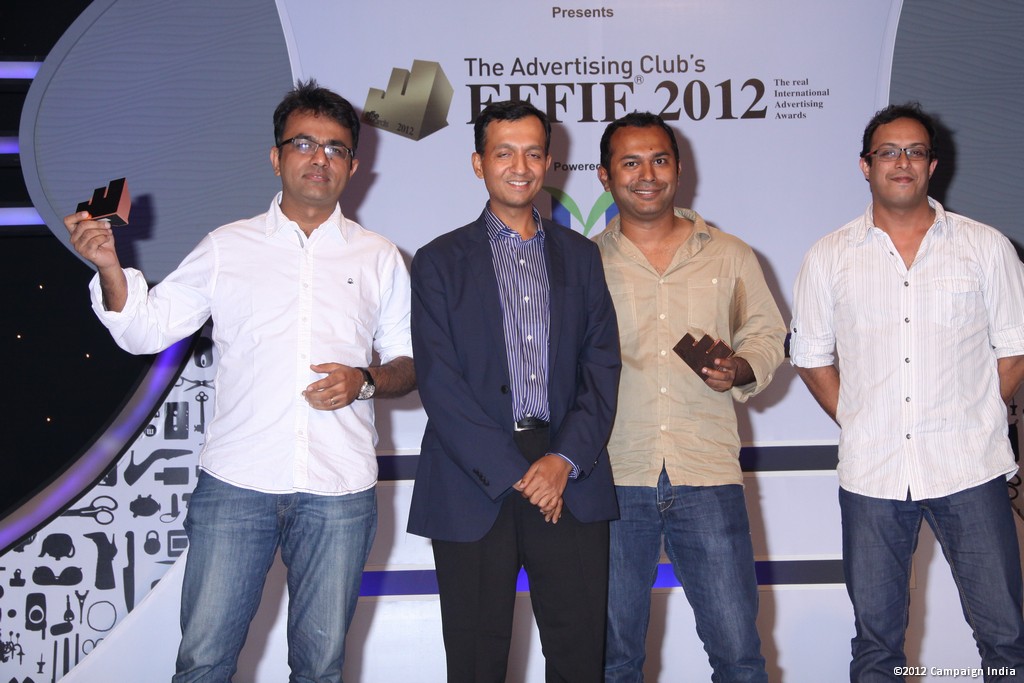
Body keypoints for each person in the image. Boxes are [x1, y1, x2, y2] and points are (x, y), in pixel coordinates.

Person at [64, 80, 415, 682]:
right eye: (303, 143)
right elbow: (146, 329)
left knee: (321, 669)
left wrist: (363, 380)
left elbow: (409, 364)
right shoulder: (227, 247)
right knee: (203, 662)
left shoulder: (379, 256)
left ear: (353, 167)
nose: (319, 158)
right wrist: (109, 267)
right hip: (236, 486)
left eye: (335, 148)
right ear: (276, 157)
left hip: (340, 489)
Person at [790, 102, 1024, 681]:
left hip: (970, 467)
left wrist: (973, 414)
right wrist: (863, 419)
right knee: (876, 647)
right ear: (865, 165)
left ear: (932, 165)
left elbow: (1015, 349)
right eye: (888, 152)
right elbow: (811, 357)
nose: (902, 162)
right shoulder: (828, 256)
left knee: (1006, 641)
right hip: (873, 474)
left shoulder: (985, 247)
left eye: (915, 152)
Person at [407, 100, 620, 683]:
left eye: (532, 153)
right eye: (504, 153)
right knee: (475, 662)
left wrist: (562, 460)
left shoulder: (582, 257)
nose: (520, 167)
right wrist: (517, 474)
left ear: (549, 162)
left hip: (569, 474)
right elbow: (440, 382)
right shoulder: (438, 261)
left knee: (580, 659)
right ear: (479, 163)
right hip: (472, 477)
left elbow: (602, 367)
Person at [593, 112, 785, 682]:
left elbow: (767, 332)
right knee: (612, 659)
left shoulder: (730, 254)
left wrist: (741, 367)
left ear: (679, 168)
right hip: (613, 475)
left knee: (738, 656)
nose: (647, 174)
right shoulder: (583, 261)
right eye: (630, 163)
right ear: (605, 176)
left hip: (706, 472)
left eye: (659, 160)